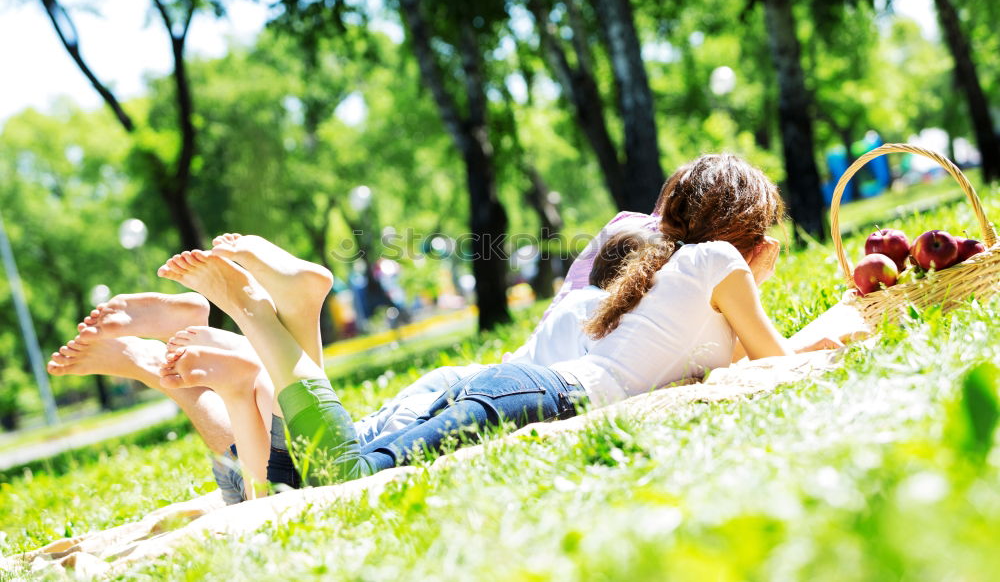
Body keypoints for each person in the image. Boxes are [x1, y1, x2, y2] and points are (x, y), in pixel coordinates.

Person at [155, 154, 841, 488]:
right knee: (351, 472)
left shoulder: (657, 277)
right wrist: (835, 324)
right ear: (755, 240)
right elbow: (778, 362)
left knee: (314, 474)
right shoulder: (719, 263)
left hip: (516, 385)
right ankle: (258, 315)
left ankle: (286, 323)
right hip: (538, 395)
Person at [48, 229, 658, 502]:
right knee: (303, 474)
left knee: (285, 479)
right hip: (489, 392)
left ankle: (214, 351)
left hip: (463, 386)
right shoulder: (627, 308)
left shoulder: (582, 302)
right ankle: (250, 336)